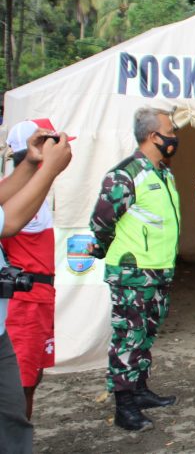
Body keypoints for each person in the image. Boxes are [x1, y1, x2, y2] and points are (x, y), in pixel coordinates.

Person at [89, 107, 181, 431]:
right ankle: (124, 407)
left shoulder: (162, 173)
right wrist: (109, 251)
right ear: (154, 136)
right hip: (133, 273)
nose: (175, 135)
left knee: (145, 334)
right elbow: (101, 221)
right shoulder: (126, 174)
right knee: (128, 337)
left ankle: (139, 390)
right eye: (171, 129)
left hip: (158, 270)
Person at [0, 127, 71, 453]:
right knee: (20, 392)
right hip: (23, 305)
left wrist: (31, 163)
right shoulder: (25, 200)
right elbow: (9, 222)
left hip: (31, 301)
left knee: (25, 385)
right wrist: (48, 170)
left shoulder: (18, 184)